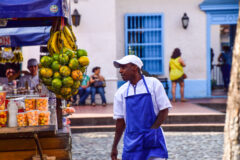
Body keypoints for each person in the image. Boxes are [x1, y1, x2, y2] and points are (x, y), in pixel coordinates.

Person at [111, 55, 172, 160]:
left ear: (135, 67)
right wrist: (114, 146)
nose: (120, 71)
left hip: (153, 140)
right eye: (120, 68)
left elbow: (164, 110)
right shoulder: (121, 92)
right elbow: (120, 121)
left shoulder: (153, 84)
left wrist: (153, 130)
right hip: (132, 142)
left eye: (123, 67)